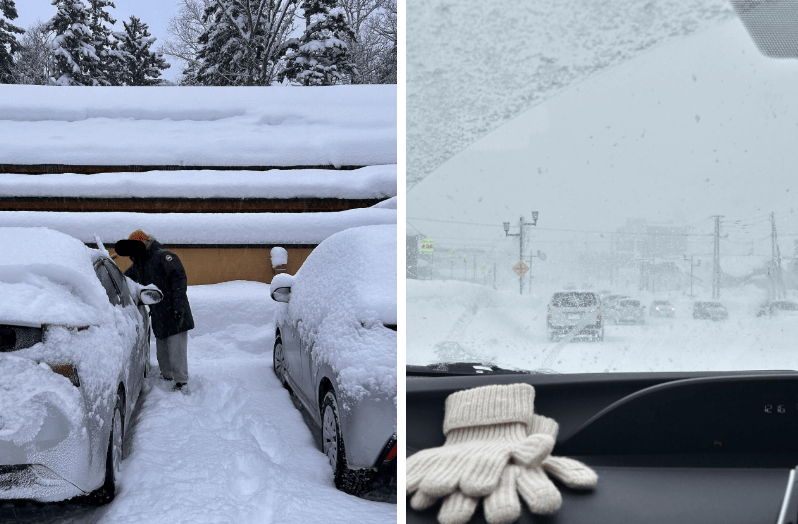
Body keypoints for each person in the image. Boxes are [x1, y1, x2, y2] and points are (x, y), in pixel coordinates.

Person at [124, 229, 195, 393]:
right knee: (162, 350)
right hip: (158, 312)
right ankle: (167, 376)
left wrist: (178, 306)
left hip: (175, 310)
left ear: (146, 242)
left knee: (176, 349)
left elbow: (179, 279)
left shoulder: (165, 256)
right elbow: (125, 280)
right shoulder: (139, 264)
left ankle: (181, 382)